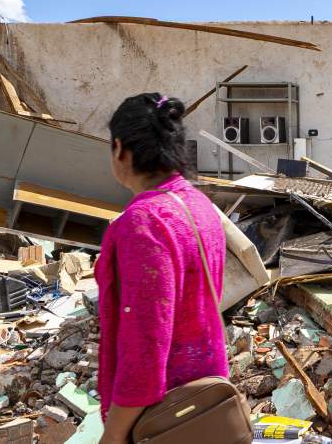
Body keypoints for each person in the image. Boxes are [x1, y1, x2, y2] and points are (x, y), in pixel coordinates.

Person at [96, 93, 228, 444]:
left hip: (163, 417)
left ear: (120, 149)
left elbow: (145, 344)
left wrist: (113, 435)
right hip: (208, 402)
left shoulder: (143, 222)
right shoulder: (199, 205)